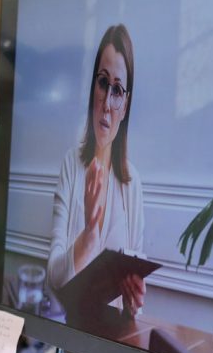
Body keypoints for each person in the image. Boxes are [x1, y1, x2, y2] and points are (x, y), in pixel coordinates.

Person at [47, 23, 145, 318]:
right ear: (93, 88)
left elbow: (133, 309)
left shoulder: (133, 184)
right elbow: (53, 278)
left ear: (125, 105)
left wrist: (134, 301)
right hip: (67, 333)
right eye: (103, 83)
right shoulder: (70, 164)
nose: (106, 104)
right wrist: (89, 234)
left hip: (112, 341)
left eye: (117, 90)